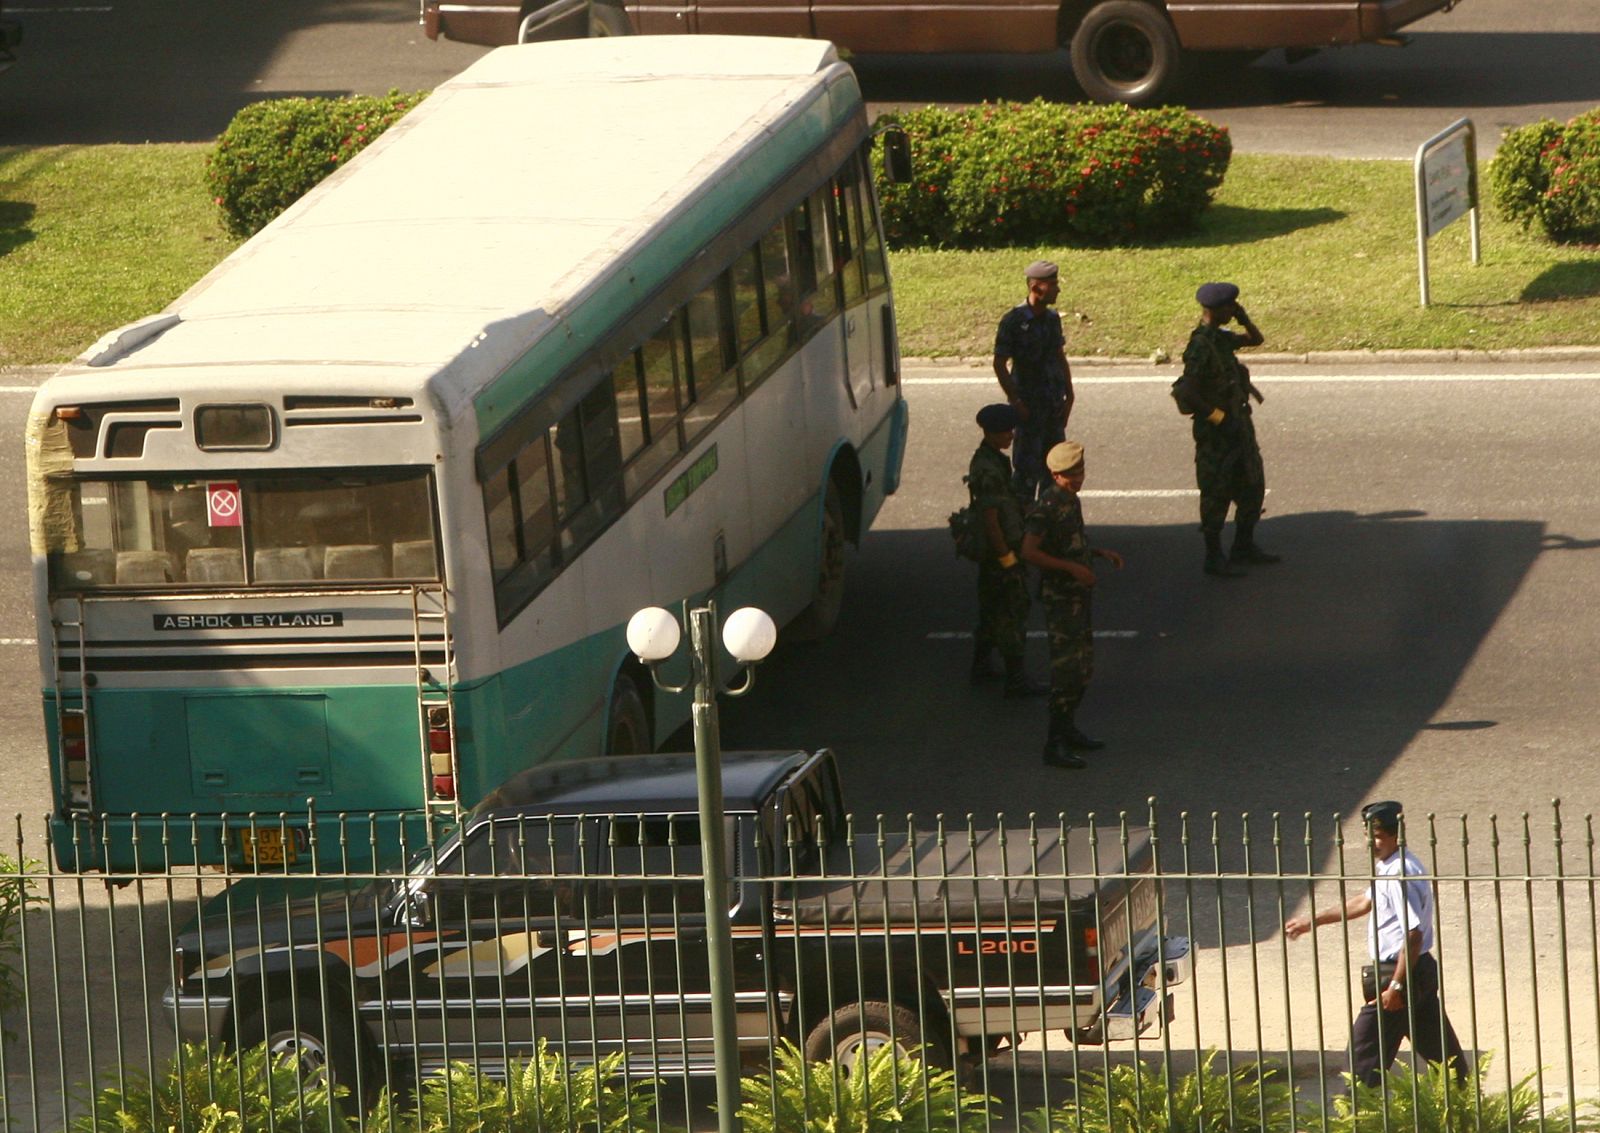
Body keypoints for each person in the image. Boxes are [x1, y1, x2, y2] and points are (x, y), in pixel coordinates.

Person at [1284, 800, 1468, 1087]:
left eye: (1379, 836)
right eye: (1369, 835)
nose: (1372, 842)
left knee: (1361, 1057)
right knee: (1444, 1059)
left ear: (1396, 835)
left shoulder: (1398, 873)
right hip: (1415, 973)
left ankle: (1354, 1119)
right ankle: (1465, 1110)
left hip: (1400, 974)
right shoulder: (1394, 864)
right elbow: (1363, 901)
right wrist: (1312, 922)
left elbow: (1414, 933)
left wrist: (1395, 986)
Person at [1021, 441, 1123, 768]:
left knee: (1083, 668)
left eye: (1079, 472)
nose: (1077, 479)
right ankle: (1055, 743)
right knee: (1066, 672)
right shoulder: (1047, 506)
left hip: (1078, 596)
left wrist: (1095, 554)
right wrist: (1072, 568)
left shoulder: (1070, 501)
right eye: (1069, 475)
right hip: (1061, 598)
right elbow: (1029, 552)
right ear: (1055, 474)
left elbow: (1070, 541)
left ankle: (1068, 729)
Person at [1171, 281, 1278, 578]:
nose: (1233, 309)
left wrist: (1243, 317)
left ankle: (1243, 546)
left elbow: (1256, 339)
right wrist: (1219, 418)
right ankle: (1213, 555)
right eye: (1229, 307)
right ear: (1214, 309)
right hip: (1216, 434)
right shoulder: (1200, 346)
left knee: (1252, 485)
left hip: (1238, 426)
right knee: (1216, 493)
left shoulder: (1221, 338)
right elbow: (1189, 392)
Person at [966, 404, 1046, 696]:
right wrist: (1007, 559)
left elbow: (1004, 502)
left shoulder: (995, 461)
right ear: (990, 432)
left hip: (997, 550)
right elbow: (990, 519)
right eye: (1005, 432)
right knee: (1013, 611)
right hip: (1000, 551)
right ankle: (1016, 678)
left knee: (990, 608)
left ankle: (982, 664)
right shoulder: (987, 468)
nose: (1011, 436)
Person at [994, 260, 1073, 502]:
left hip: (1053, 406)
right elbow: (1000, 364)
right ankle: (1022, 527)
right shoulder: (1014, 321)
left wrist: (1070, 394)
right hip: (1029, 409)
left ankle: (1049, 526)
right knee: (1026, 474)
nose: (1057, 289)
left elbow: (1059, 356)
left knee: (1055, 468)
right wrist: (1016, 401)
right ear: (1036, 287)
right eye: (1053, 284)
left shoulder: (1051, 319)